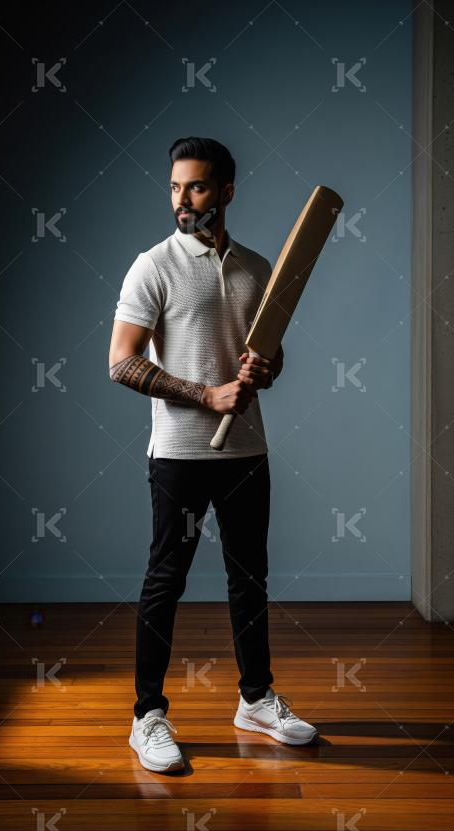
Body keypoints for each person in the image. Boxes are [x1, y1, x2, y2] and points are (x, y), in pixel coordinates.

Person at [109, 137, 317, 773]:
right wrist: (206, 394)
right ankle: (148, 716)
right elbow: (121, 362)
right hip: (178, 455)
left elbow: (268, 359)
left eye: (196, 187)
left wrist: (265, 369)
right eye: (175, 187)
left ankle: (255, 701)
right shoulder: (153, 266)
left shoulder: (257, 268)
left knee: (249, 578)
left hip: (246, 450)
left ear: (226, 191)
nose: (183, 200)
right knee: (165, 581)